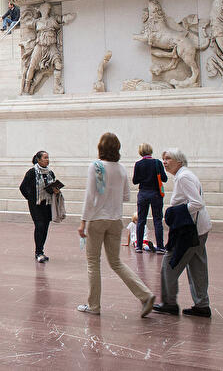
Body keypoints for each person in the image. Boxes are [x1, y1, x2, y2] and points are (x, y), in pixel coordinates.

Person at [76, 133, 155, 317]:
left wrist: (83, 221)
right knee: (116, 262)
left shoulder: (95, 167)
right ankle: (145, 294)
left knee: (93, 263)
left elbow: (89, 196)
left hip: (97, 219)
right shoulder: (120, 169)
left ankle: (93, 305)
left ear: (100, 147)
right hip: (115, 220)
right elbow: (127, 196)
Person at [152, 148, 213, 318]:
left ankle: (169, 302)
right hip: (199, 229)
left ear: (179, 161)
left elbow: (196, 203)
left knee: (169, 264)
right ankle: (202, 304)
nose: (164, 162)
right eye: (163, 159)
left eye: (168, 158)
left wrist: (174, 213)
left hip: (189, 231)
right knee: (197, 266)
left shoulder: (184, 177)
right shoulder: (184, 175)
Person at [19, 150, 60, 261]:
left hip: (47, 204)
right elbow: (22, 187)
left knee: (45, 227)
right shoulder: (32, 172)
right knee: (40, 226)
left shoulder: (50, 173)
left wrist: (56, 191)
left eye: (48, 157)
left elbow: (52, 187)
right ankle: (38, 252)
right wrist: (31, 198)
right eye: (45, 158)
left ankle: (41, 250)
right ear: (38, 159)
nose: (47, 160)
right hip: (36, 205)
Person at [132, 143, 168, 254]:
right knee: (157, 220)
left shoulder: (138, 164)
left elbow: (135, 181)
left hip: (143, 194)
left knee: (141, 220)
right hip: (156, 194)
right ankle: (161, 247)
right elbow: (164, 178)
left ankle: (138, 246)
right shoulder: (157, 163)